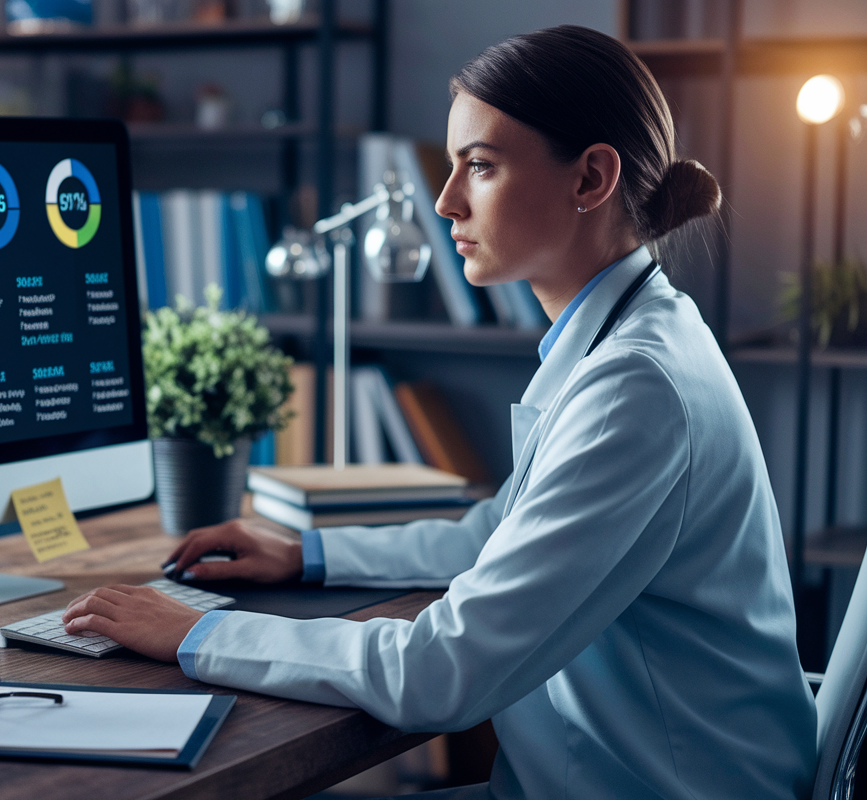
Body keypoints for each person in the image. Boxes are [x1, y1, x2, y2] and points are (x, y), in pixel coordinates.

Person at [62, 25, 816, 800]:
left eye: (480, 167)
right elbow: (499, 536)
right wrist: (307, 554)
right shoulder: (636, 332)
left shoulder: (636, 385)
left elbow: (440, 674)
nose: (445, 200)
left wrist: (197, 632)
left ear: (590, 178)